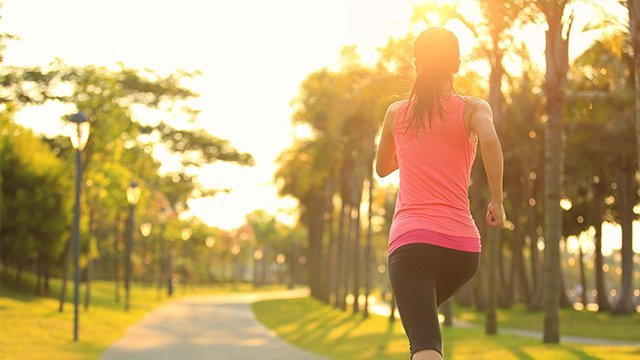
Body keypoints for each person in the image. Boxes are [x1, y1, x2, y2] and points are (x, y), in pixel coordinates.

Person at [375, 27, 506, 360]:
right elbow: (490, 141)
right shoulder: (473, 108)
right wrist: (498, 202)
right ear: (457, 64)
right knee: (422, 327)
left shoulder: (396, 113)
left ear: (417, 64)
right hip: (463, 250)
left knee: (424, 342)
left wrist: (413, 150)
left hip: (412, 244)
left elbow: (383, 167)